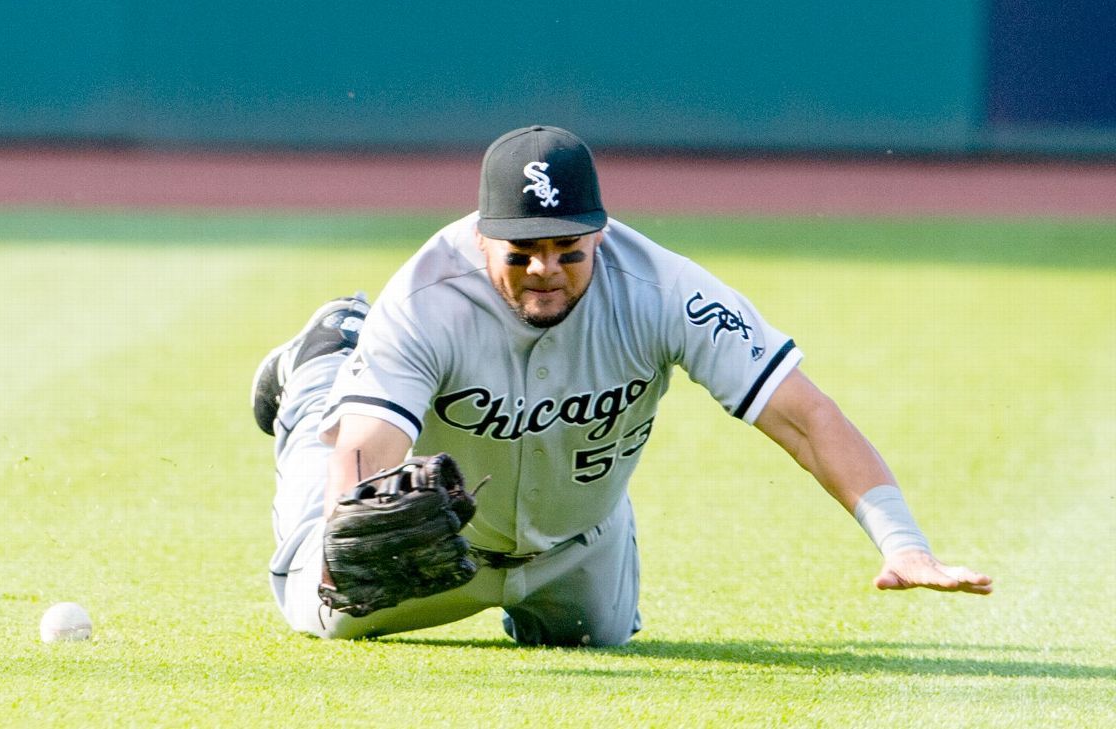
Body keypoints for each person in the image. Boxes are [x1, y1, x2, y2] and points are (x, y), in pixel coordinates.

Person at [255, 125, 992, 646]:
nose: (546, 267)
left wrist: (904, 542)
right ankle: (319, 365)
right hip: (448, 539)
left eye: (567, 249)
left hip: (580, 543)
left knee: (595, 639)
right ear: (483, 235)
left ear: (600, 233)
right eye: (523, 251)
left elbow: (802, 414)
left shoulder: (664, 289)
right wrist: (346, 536)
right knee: (329, 611)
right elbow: (369, 449)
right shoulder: (425, 298)